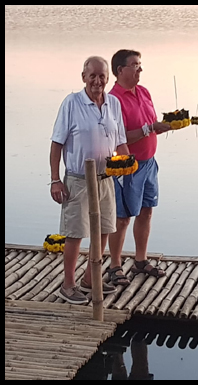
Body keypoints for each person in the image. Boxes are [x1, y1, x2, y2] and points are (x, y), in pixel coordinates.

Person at [49, 55, 130, 304]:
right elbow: (56, 143)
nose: (97, 81)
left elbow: (121, 141)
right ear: (83, 77)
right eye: (92, 75)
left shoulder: (114, 103)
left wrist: (128, 164)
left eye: (101, 76)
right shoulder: (71, 103)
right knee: (75, 233)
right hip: (78, 178)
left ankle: (89, 279)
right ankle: (68, 284)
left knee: (105, 228)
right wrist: (55, 179)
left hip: (106, 178)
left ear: (108, 78)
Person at [106, 49, 172, 286]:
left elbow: (151, 124)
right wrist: (149, 128)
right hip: (128, 166)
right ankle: (114, 265)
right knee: (122, 217)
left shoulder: (144, 92)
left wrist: (163, 126)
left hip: (150, 162)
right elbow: (117, 136)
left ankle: (140, 261)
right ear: (120, 70)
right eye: (134, 65)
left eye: (140, 64)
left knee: (147, 210)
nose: (139, 69)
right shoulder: (113, 99)